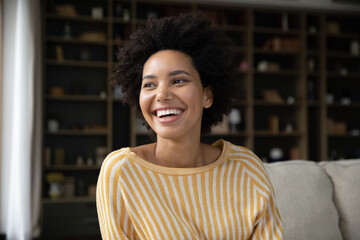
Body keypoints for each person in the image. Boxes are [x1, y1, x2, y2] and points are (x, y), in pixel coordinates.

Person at [96, 12, 283, 240]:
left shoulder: (246, 168)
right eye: (150, 84)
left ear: (207, 96)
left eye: (178, 80)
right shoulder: (122, 171)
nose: (162, 94)